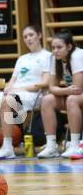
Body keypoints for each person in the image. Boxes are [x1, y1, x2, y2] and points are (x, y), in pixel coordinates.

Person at [0, 25, 52, 160]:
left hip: (34, 95)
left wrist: (19, 89)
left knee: (6, 100)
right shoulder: (22, 59)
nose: (28, 39)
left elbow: (46, 82)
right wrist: (8, 88)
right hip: (15, 94)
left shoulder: (48, 56)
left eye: (31, 35)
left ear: (39, 35)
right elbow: (13, 80)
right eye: (25, 37)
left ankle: (7, 148)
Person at [38, 29, 83, 158]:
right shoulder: (55, 58)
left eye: (59, 47)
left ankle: (74, 145)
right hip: (76, 95)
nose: (55, 51)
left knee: (72, 99)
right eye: (53, 48)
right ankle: (51, 146)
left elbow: (78, 89)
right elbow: (52, 87)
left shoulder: (77, 55)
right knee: (47, 100)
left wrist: (66, 91)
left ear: (69, 47)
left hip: (78, 94)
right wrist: (67, 90)